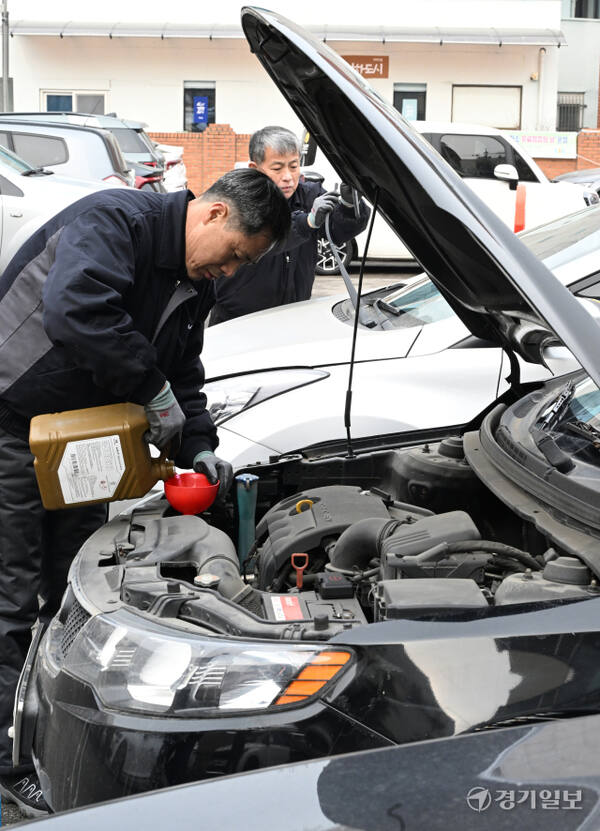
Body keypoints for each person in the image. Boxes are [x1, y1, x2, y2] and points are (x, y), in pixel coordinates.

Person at [0, 168, 290, 816]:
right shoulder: (115, 223)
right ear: (213, 215)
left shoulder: (192, 280)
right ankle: (8, 760)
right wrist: (148, 386)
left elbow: (180, 371)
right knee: (11, 595)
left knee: (69, 586)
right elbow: (75, 310)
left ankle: (48, 734)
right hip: (13, 426)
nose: (232, 272)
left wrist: (199, 445)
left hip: (82, 440)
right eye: (236, 254)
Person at [209, 125, 370, 325]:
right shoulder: (237, 199)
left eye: (293, 166)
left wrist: (349, 205)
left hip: (294, 315)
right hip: (238, 319)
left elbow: (338, 232)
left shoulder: (310, 194)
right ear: (255, 168)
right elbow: (265, 236)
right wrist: (308, 221)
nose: (288, 176)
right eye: (277, 168)